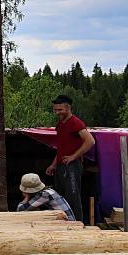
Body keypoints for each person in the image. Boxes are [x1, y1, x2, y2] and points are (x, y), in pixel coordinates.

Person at [46, 94, 96, 224]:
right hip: (61, 165)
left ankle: (77, 224)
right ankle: (64, 224)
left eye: (60, 110)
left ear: (68, 108)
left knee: (73, 197)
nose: (57, 112)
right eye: (55, 110)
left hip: (72, 166)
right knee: (60, 198)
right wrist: (53, 164)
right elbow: (61, 147)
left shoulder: (75, 123)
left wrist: (74, 156)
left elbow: (90, 141)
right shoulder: (60, 124)